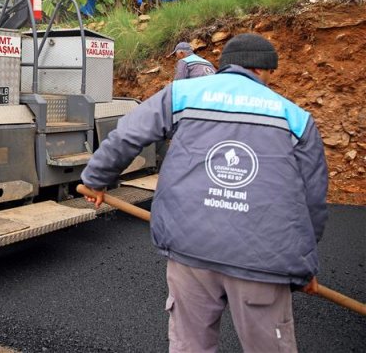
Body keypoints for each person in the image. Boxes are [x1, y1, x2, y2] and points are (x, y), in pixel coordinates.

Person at [81, 33, 328, 353]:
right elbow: (313, 200)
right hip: (263, 259)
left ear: (225, 64)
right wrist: (304, 264)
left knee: (189, 345)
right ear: (264, 71)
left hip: (190, 247)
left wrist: (97, 179)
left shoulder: (180, 94)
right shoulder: (296, 118)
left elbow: (127, 135)